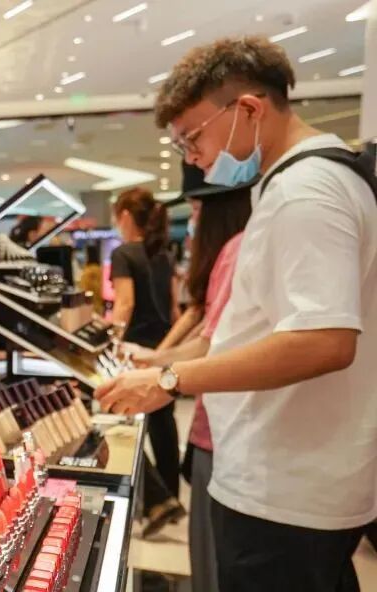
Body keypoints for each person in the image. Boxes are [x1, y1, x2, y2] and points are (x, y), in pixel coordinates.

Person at [95, 36, 377, 592]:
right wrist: (163, 363)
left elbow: (324, 341)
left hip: (285, 488)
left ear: (248, 108)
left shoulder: (305, 192)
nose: (191, 158)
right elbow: (255, 329)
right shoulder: (302, 185)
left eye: (192, 137)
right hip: (289, 478)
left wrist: (170, 379)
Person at [128, 178, 252, 592]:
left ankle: (162, 499)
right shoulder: (214, 257)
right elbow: (196, 319)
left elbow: (210, 342)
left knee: (214, 560)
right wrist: (158, 359)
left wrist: (163, 373)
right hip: (220, 426)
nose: (191, 224)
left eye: (196, 212)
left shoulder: (237, 252)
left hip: (227, 432)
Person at [108, 188, 183, 527]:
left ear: (125, 216)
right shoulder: (163, 255)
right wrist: (168, 350)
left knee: (122, 420)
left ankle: (155, 499)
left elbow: (125, 303)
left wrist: (112, 341)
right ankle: (169, 495)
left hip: (135, 350)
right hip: (163, 346)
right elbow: (174, 308)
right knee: (164, 424)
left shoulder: (124, 253)